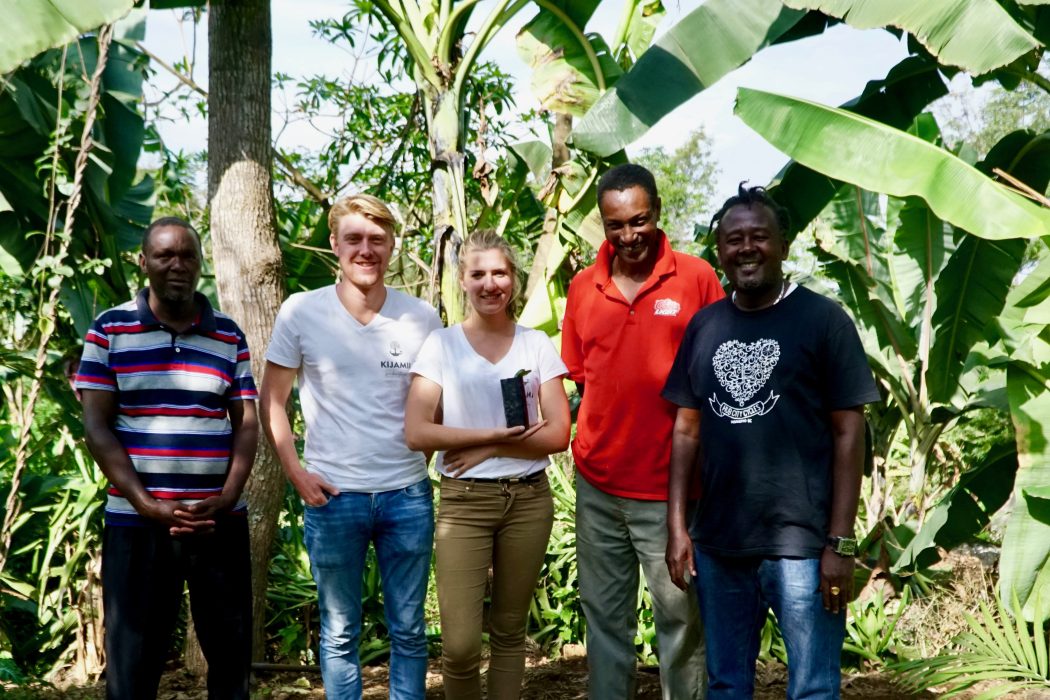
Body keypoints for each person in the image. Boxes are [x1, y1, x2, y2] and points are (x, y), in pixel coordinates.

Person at [663, 184, 881, 699]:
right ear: (719, 250)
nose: (746, 248)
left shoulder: (823, 320)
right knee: (726, 685)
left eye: (759, 236)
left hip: (803, 547)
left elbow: (849, 433)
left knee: (813, 688)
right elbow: (686, 429)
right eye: (733, 239)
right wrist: (677, 527)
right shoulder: (705, 327)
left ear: (783, 244)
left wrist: (840, 543)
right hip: (719, 544)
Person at [259, 194, 441, 700]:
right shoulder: (301, 311)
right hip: (333, 497)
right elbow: (271, 400)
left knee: (409, 631)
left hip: (406, 496)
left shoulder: (421, 318)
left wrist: (415, 465)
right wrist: (296, 473)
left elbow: (435, 406)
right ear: (335, 244)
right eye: (355, 239)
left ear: (392, 246)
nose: (366, 249)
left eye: (377, 239)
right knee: (340, 635)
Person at [76, 216, 257, 699]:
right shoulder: (109, 330)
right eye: (164, 255)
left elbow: (247, 422)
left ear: (199, 264)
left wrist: (227, 497)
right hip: (137, 524)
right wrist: (147, 504)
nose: (177, 265)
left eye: (187, 256)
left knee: (231, 658)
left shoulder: (228, 335)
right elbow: (97, 427)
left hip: (217, 523)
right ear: (144, 262)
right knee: (134, 663)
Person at [561, 163, 724, 699]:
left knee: (680, 625)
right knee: (605, 623)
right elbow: (583, 378)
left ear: (656, 212)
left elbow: (723, 373)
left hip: (671, 492)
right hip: (598, 486)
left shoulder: (697, 277)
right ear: (602, 225)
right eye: (615, 224)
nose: (629, 235)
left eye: (639, 220)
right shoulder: (584, 287)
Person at [404, 229, 571, 700]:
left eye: (499, 272)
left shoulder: (536, 344)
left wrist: (493, 450)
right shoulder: (441, 345)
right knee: (458, 646)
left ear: (514, 280)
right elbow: (418, 431)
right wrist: (494, 437)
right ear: (463, 279)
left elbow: (558, 433)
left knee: (509, 630)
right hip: (464, 503)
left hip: (528, 500)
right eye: (478, 273)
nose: (490, 283)